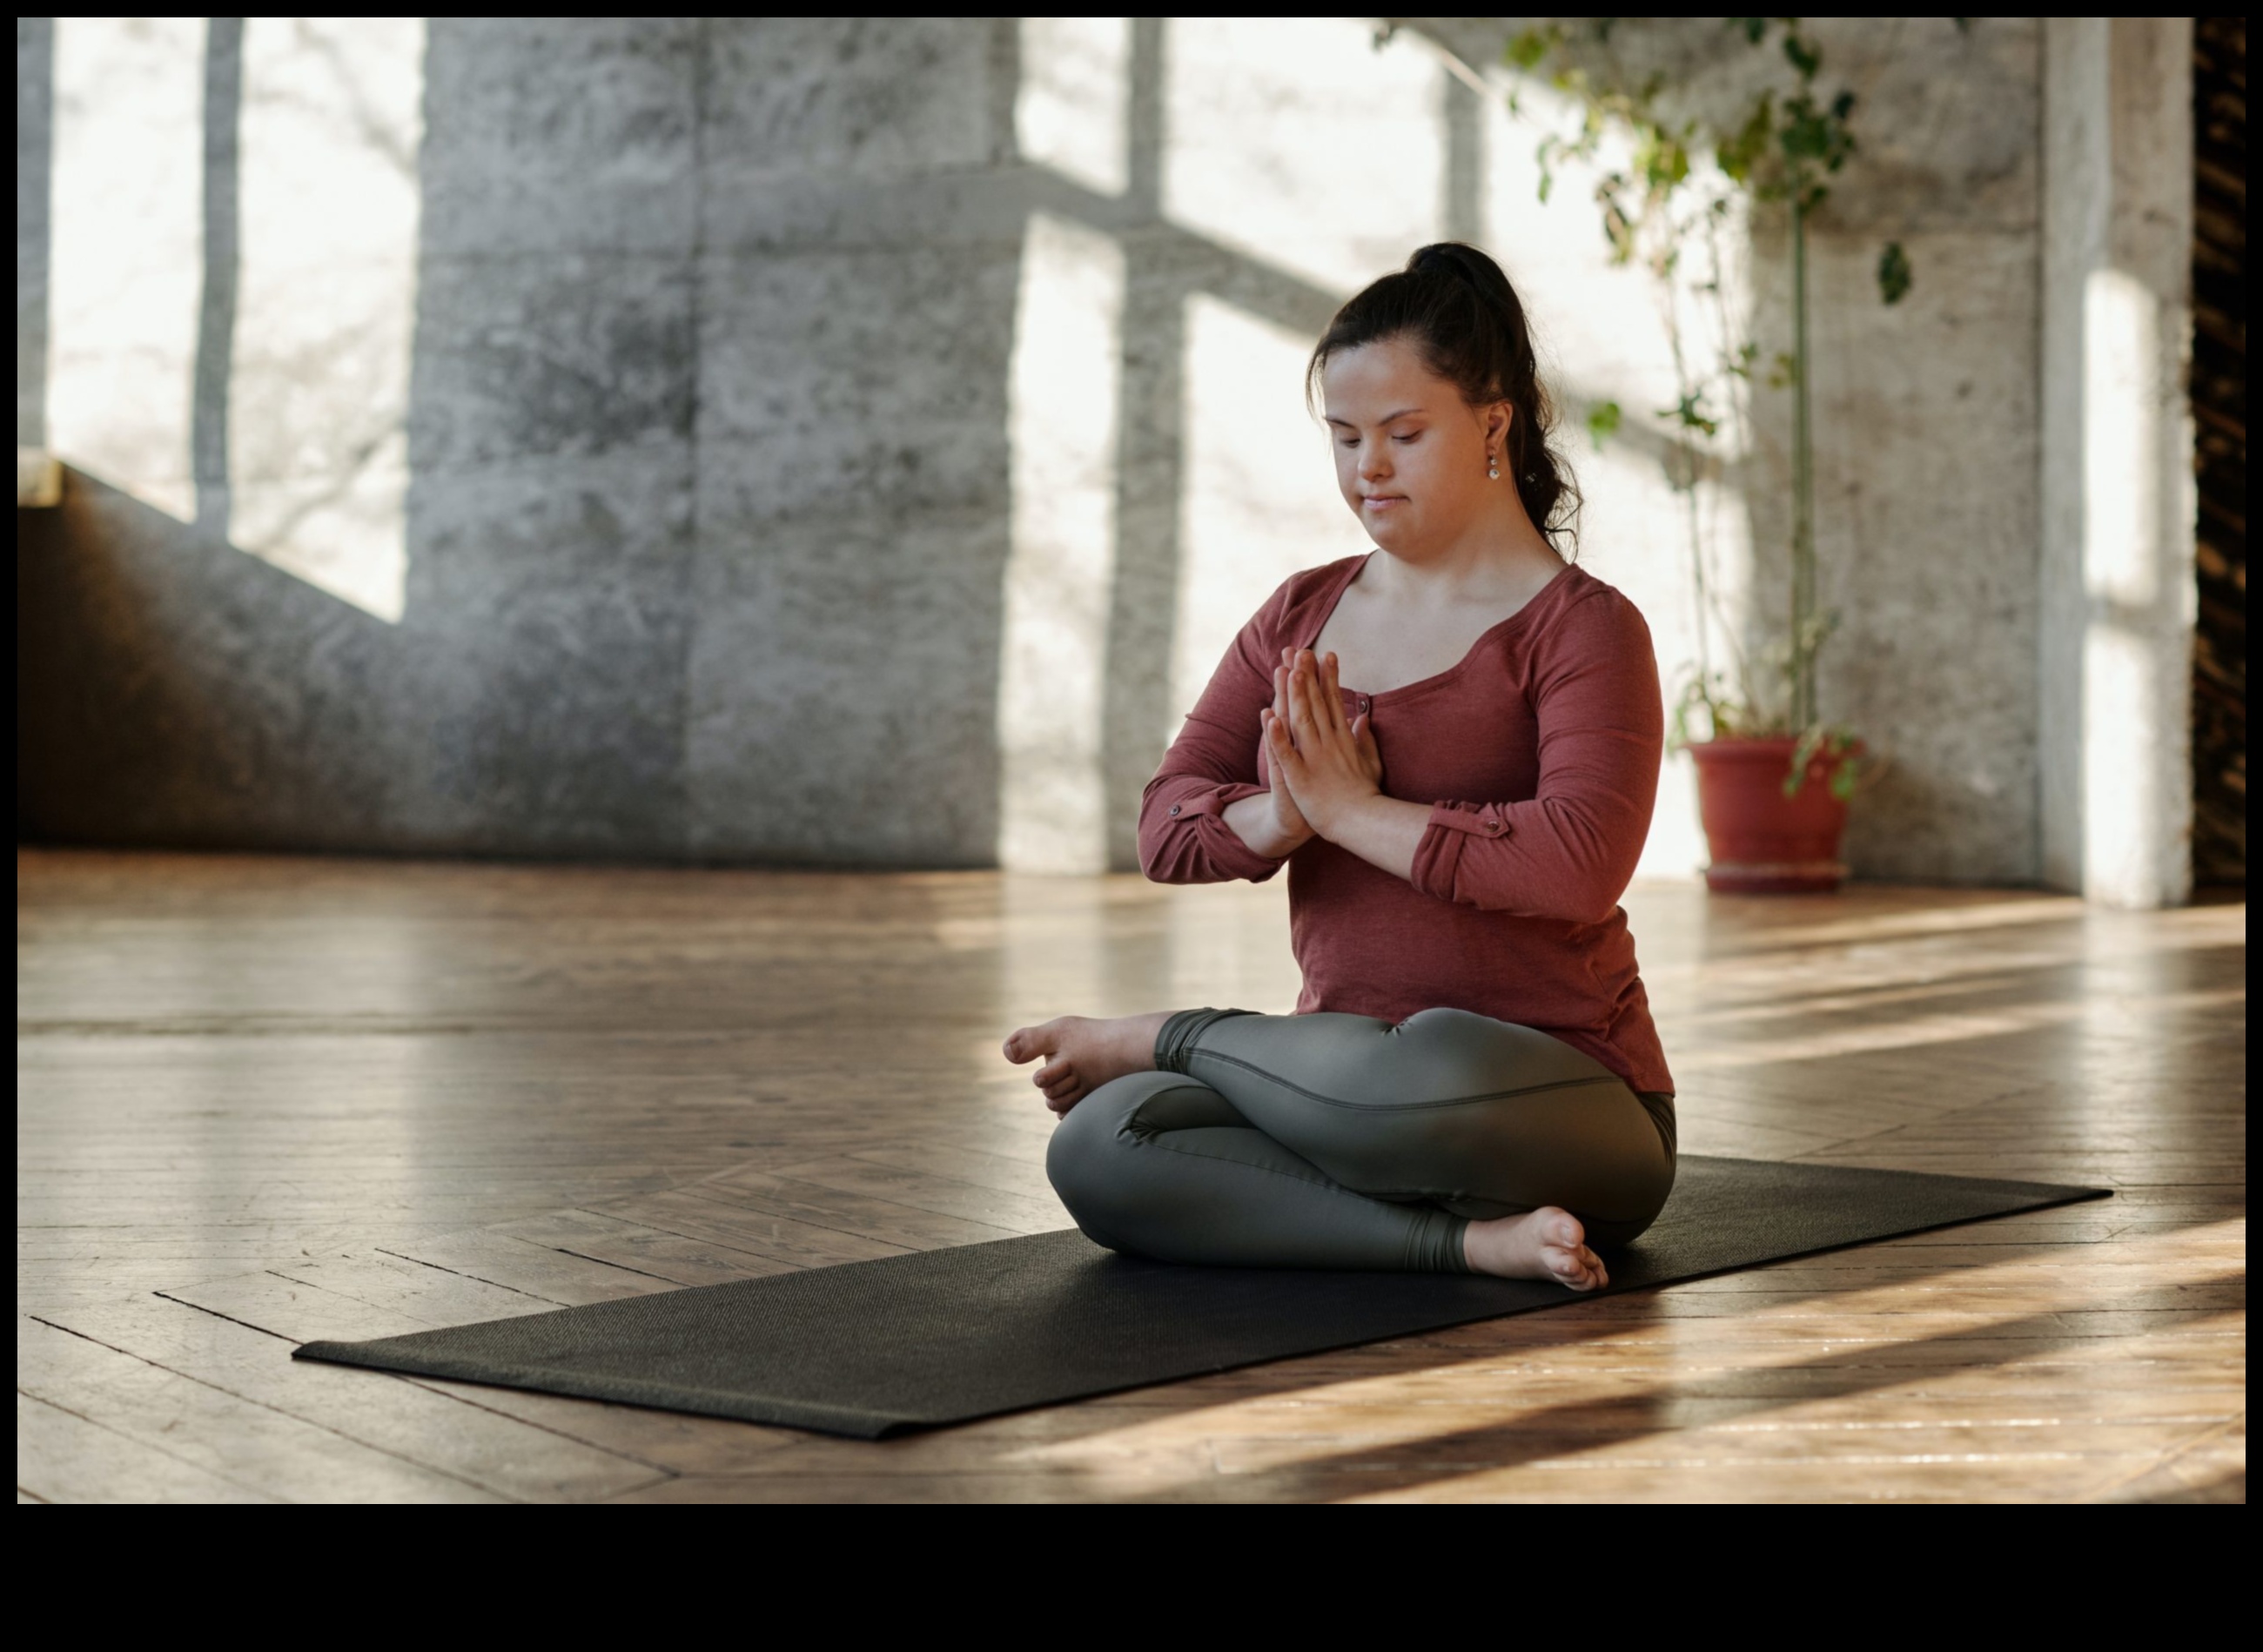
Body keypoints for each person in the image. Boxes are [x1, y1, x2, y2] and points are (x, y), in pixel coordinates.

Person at [1004, 244, 1675, 1291]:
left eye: (1403, 435)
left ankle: (1166, 1036)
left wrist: (1353, 810)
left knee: (1423, 1063)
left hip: (1557, 1096)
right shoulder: (1299, 613)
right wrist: (1282, 816)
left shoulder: (1585, 629)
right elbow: (1165, 826)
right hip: (1335, 1078)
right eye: (1345, 435)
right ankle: (1461, 1243)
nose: (1368, 467)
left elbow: (1574, 863)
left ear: (1493, 423)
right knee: (1101, 1141)